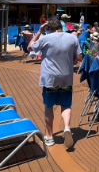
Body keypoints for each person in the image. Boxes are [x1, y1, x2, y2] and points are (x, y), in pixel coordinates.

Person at [29, 18, 83, 149]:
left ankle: (50, 136)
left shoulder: (45, 38)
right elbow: (79, 57)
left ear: (49, 28)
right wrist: (67, 60)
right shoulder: (72, 38)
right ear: (61, 26)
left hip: (50, 79)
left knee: (49, 106)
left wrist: (39, 31)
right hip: (66, 77)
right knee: (66, 105)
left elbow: (30, 46)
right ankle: (66, 127)